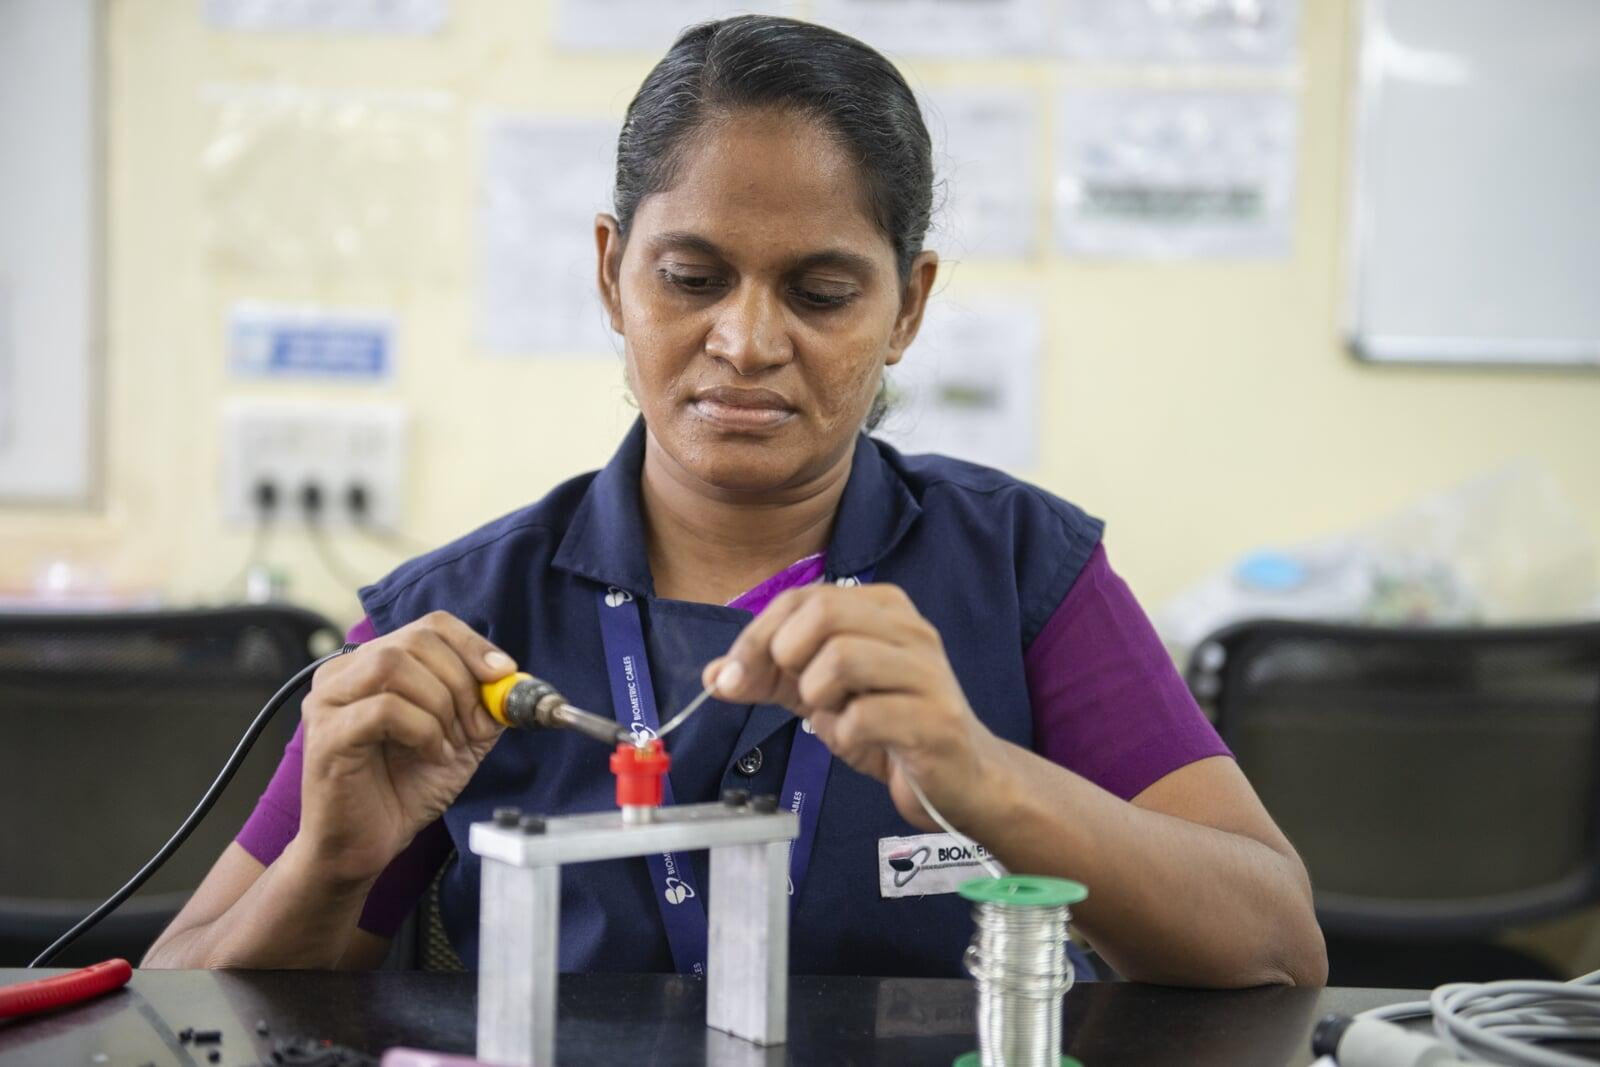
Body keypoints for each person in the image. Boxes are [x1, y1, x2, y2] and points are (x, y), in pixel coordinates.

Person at [145, 15, 1326, 987]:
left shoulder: (1021, 568)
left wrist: (987, 777)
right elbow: (168, 1002)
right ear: (612, 272)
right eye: (692, 278)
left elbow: (1277, 942)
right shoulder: (455, 620)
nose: (747, 341)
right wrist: (331, 865)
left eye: (819, 290)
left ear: (906, 308)